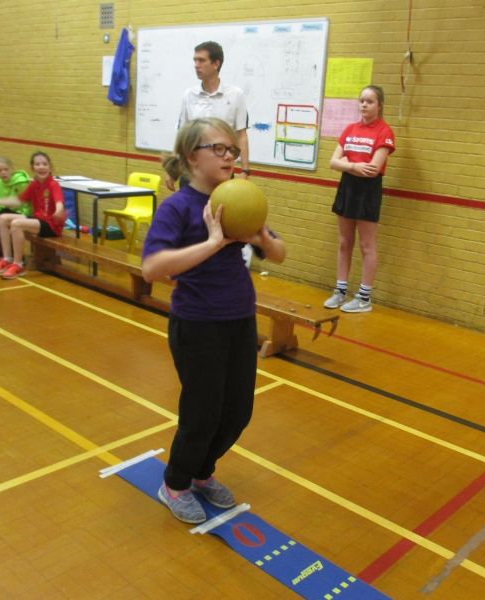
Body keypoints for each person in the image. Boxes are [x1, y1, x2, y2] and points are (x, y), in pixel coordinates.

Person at [141, 117, 285, 524]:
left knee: (237, 412)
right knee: (202, 413)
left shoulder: (237, 199)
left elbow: (279, 254)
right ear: (192, 157)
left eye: (232, 150)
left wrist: (262, 237)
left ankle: (201, 471)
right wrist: (213, 242)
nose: (229, 157)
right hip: (197, 324)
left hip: (239, 320)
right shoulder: (177, 207)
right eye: (218, 149)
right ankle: (175, 482)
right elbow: (152, 267)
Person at [323, 85, 395, 313]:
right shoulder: (350, 129)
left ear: (379, 105)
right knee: (344, 242)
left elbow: (372, 170)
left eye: (370, 101)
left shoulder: (384, 132)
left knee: (366, 245)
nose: (364, 104)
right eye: (362, 100)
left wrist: (346, 164)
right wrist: (354, 166)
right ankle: (340, 291)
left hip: (368, 191)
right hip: (347, 188)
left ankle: (364, 298)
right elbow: (333, 162)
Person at [166, 41, 250, 191]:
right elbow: (182, 135)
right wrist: (172, 169)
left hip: (222, 171)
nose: (196, 65)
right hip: (192, 172)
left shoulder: (236, 95)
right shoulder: (189, 95)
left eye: (201, 60)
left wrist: (245, 170)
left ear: (216, 64)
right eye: (195, 60)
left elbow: (241, 134)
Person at [0, 151, 65, 280]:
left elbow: (59, 202)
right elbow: (18, 200)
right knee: (2, 218)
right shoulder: (34, 184)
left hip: (51, 225)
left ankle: (18, 264)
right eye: (37, 164)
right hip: (38, 220)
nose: (41, 167)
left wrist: (58, 210)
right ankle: (7, 258)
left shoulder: (53, 185)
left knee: (16, 224)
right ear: (32, 167)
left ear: (50, 166)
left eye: (44, 164)